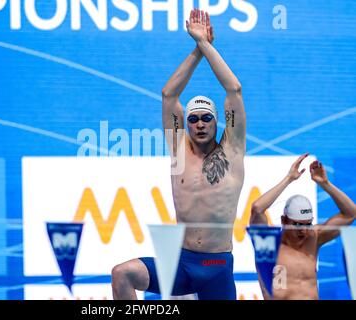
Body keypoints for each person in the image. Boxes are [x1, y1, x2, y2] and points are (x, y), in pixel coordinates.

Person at [111, 9, 246, 300]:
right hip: (181, 263)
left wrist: (207, 45)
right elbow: (168, 95)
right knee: (122, 273)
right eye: (193, 119)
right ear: (186, 124)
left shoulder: (232, 150)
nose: (199, 123)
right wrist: (196, 49)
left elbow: (234, 89)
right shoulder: (179, 150)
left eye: (206, 119)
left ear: (216, 122)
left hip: (217, 265)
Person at [250, 154, 356, 299]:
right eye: (298, 224)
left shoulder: (314, 237)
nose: (304, 230)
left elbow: (350, 214)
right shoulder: (268, 244)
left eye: (308, 224)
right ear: (284, 220)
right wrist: (289, 179)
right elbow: (257, 209)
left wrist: (325, 184)